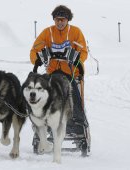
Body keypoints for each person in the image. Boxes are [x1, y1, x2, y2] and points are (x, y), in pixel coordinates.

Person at [30, 5, 90, 145]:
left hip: (70, 72)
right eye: (57, 20)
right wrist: (37, 59)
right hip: (52, 72)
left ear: (67, 20)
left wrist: (75, 58)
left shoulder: (75, 32)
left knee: (72, 92)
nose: (60, 22)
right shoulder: (47, 33)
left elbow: (83, 52)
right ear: (54, 20)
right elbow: (34, 50)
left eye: (63, 19)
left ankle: (77, 123)